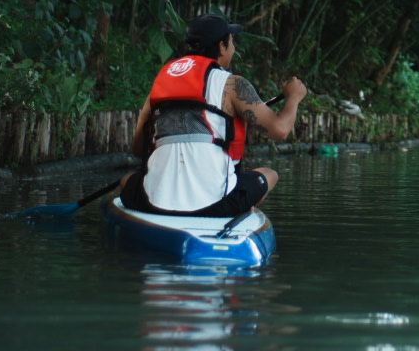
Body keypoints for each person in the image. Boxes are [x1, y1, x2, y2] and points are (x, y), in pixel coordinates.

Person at [119, 13, 307, 216]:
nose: (234, 48)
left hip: (153, 202)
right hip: (215, 206)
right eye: (232, 41)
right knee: (270, 175)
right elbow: (280, 130)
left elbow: (139, 149)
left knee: (126, 181)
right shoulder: (233, 85)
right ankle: (240, 209)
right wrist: (294, 97)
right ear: (222, 46)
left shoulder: (160, 85)